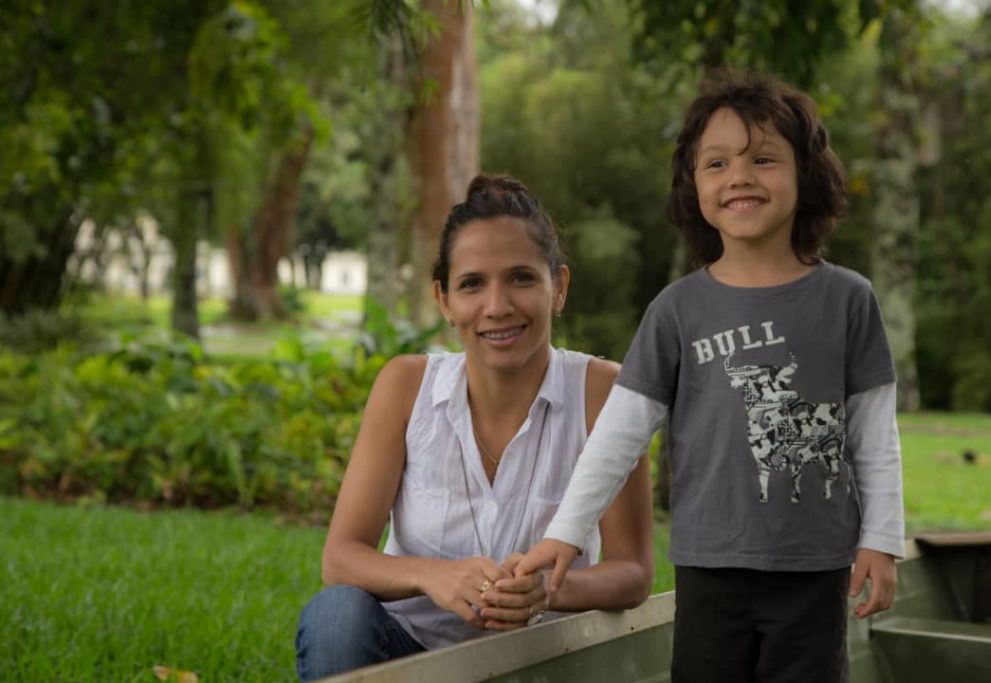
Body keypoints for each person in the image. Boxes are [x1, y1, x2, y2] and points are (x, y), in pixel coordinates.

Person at [517, 70, 905, 682]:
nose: (740, 177)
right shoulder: (676, 310)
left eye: (763, 159)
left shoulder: (848, 301)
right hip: (709, 565)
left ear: (805, 174)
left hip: (815, 567)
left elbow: (875, 436)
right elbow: (619, 435)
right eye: (717, 163)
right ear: (692, 184)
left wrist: (881, 539)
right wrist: (566, 532)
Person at [294, 174, 654, 681]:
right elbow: (341, 558)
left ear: (559, 287)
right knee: (335, 617)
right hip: (412, 655)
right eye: (472, 284)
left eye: (521, 278)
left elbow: (633, 571)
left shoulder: (602, 392)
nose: (497, 306)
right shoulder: (405, 386)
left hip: (542, 661)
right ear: (443, 300)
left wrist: (549, 590)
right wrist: (434, 576)